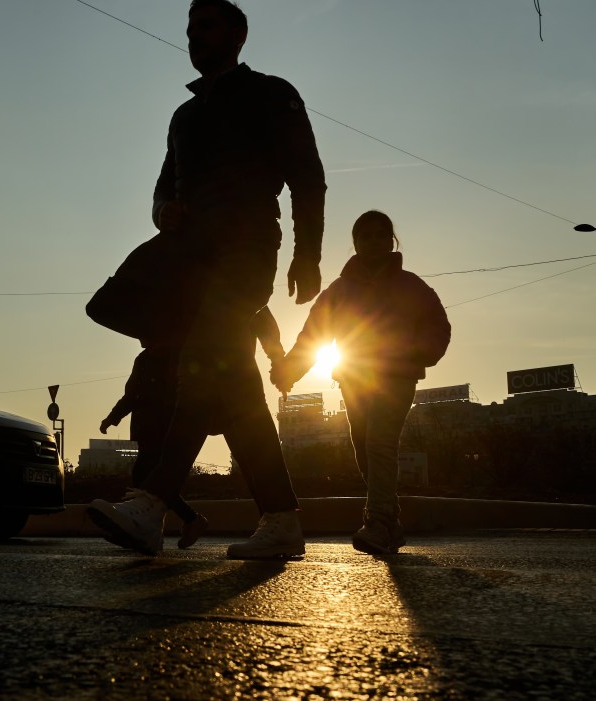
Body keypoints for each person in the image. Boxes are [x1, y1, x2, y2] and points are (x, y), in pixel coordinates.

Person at [88, 0, 326, 559]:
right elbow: (162, 189)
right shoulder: (184, 117)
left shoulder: (271, 93)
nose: (196, 37)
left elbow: (306, 175)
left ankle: (149, 504)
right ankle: (283, 516)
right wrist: (161, 211)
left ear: (239, 34)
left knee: (200, 361)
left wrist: (307, 255)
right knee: (237, 389)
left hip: (245, 254)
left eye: (207, 26)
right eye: (190, 30)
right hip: (187, 265)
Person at [271, 211, 451, 554]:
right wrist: (289, 371)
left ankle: (379, 521)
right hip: (354, 380)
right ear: (355, 243)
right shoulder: (339, 291)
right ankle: (391, 523)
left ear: (391, 241)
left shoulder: (412, 286)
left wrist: (417, 352)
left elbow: (437, 326)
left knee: (380, 442)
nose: (372, 242)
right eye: (364, 237)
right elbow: (314, 334)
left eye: (379, 235)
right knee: (365, 446)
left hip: (395, 379)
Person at [98, 306, 286, 550]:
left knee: (252, 459)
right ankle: (153, 519)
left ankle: (277, 521)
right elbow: (131, 394)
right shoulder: (149, 357)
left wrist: (278, 358)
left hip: (229, 387)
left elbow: (259, 313)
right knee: (161, 464)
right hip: (196, 397)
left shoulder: (232, 282)